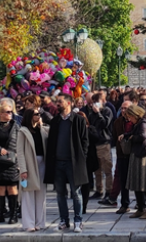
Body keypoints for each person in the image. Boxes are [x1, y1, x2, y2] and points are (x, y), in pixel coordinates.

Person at [44, 94, 89, 232]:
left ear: (69, 103)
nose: (57, 104)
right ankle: (64, 220)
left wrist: (81, 158)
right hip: (58, 163)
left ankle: (78, 220)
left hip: (73, 163)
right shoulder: (55, 121)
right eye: (57, 102)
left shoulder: (78, 120)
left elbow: (85, 142)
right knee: (60, 193)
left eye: (60, 102)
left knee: (76, 193)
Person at [16, 109, 49, 232]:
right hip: (29, 164)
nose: (39, 116)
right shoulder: (23, 131)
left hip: (42, 163)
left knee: (41, 193)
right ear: (30, 116)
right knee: (28, 193)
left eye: (39, 114)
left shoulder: (43, 130)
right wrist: (23, 169)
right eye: (36, 114)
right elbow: (20, 152)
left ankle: (40, 222)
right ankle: (28, 223)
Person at [125, 104, 146, 219]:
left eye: (130, 116)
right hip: (136, 154)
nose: (129, 119)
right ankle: (140, 208)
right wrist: (126, 135)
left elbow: (142, 136)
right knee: (136, 182)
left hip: (143, 155)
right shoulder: (137, 124)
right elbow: (134, 134)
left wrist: (132, 138)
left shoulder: (143, 123)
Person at [83, 91, 113, 200]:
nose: (94, 104)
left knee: (107, 169)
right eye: (93, 102)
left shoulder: (107, 111)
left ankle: (109, 191)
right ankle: (98, 190)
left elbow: (105, 124)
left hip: (104, 143)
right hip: (95, 144)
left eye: (97, 102)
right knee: (97, 170)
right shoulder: (91, 114)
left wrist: (99, 113)